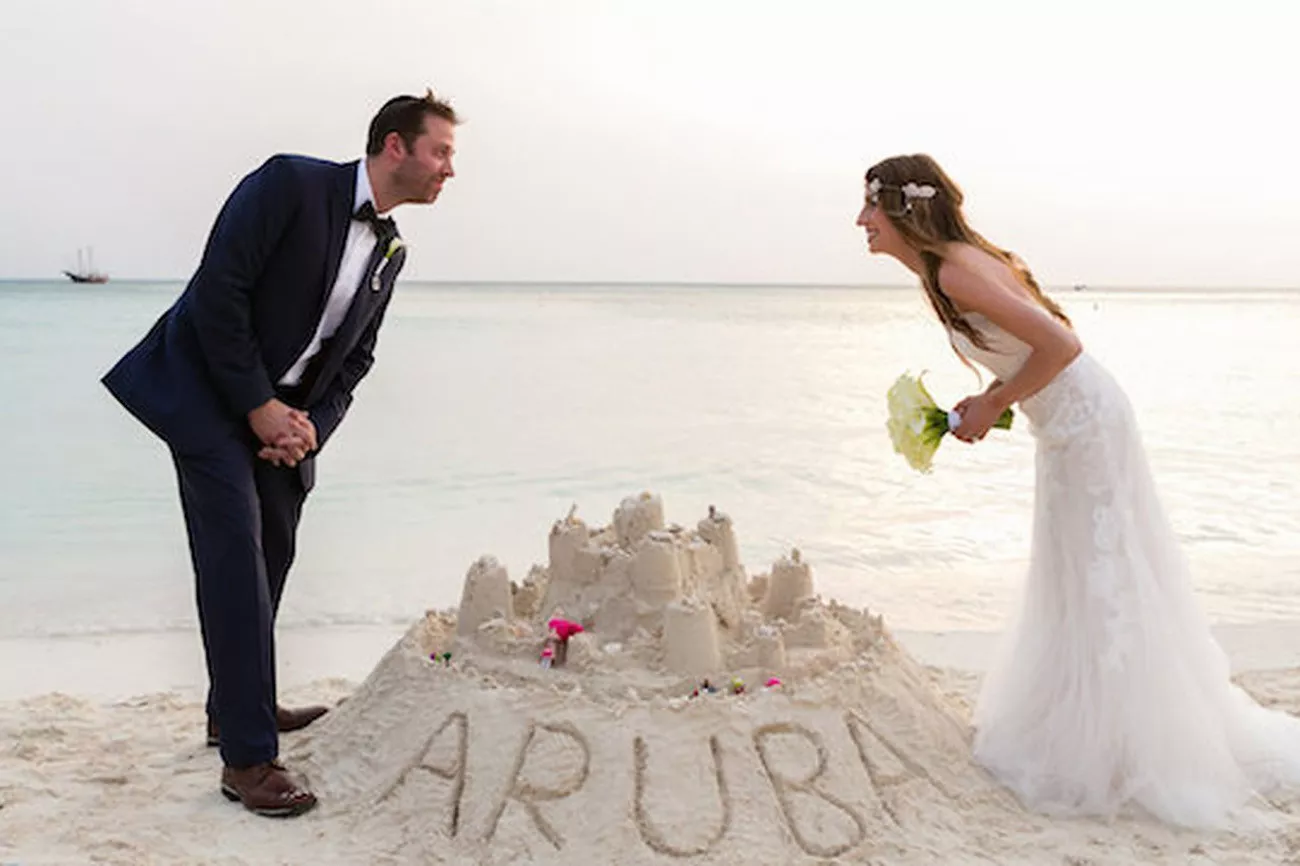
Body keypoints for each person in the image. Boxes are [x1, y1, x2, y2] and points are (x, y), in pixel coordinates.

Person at [855, 153, 1300, 827]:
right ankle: (1102, 729)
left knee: (1103, 577)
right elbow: (1033, 351)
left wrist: (992, 400)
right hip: (1070, 425)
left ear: (900, 209)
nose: (860, 221)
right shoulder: (954, 265)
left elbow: (1062, 345)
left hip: (1085, 424)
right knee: (1078, 575)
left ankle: (1130, 747)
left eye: (868, 206)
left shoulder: (952, 269)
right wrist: (992, 400)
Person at [101, 89, 459, 817]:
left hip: (283, 422)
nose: (449, 169)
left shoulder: (392, 249)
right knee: (234, 556)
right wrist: (257, 407)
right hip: (205, 395)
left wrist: (309, 427)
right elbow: (217, 296)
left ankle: (233, 709)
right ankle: (248, 760)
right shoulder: (289, 183)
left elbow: (354, 360)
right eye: (441, 151)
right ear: (395, 146)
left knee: (272, 556)